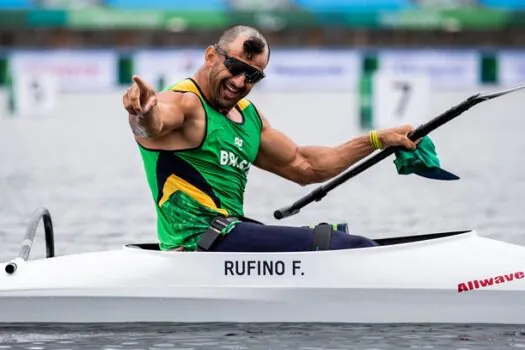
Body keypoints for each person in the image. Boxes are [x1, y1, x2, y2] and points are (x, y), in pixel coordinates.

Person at [122, 25, 418, 253]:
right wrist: (143, 112)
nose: (240, 82)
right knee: (348, 247)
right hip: (196, 243)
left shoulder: (250, 119)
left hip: (229, 237)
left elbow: (306, 167)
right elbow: (154, 125)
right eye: (235, 68)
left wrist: (376, 140)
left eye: (252, 76)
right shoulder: (185, 103)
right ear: (211, 56)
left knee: (343, 237)